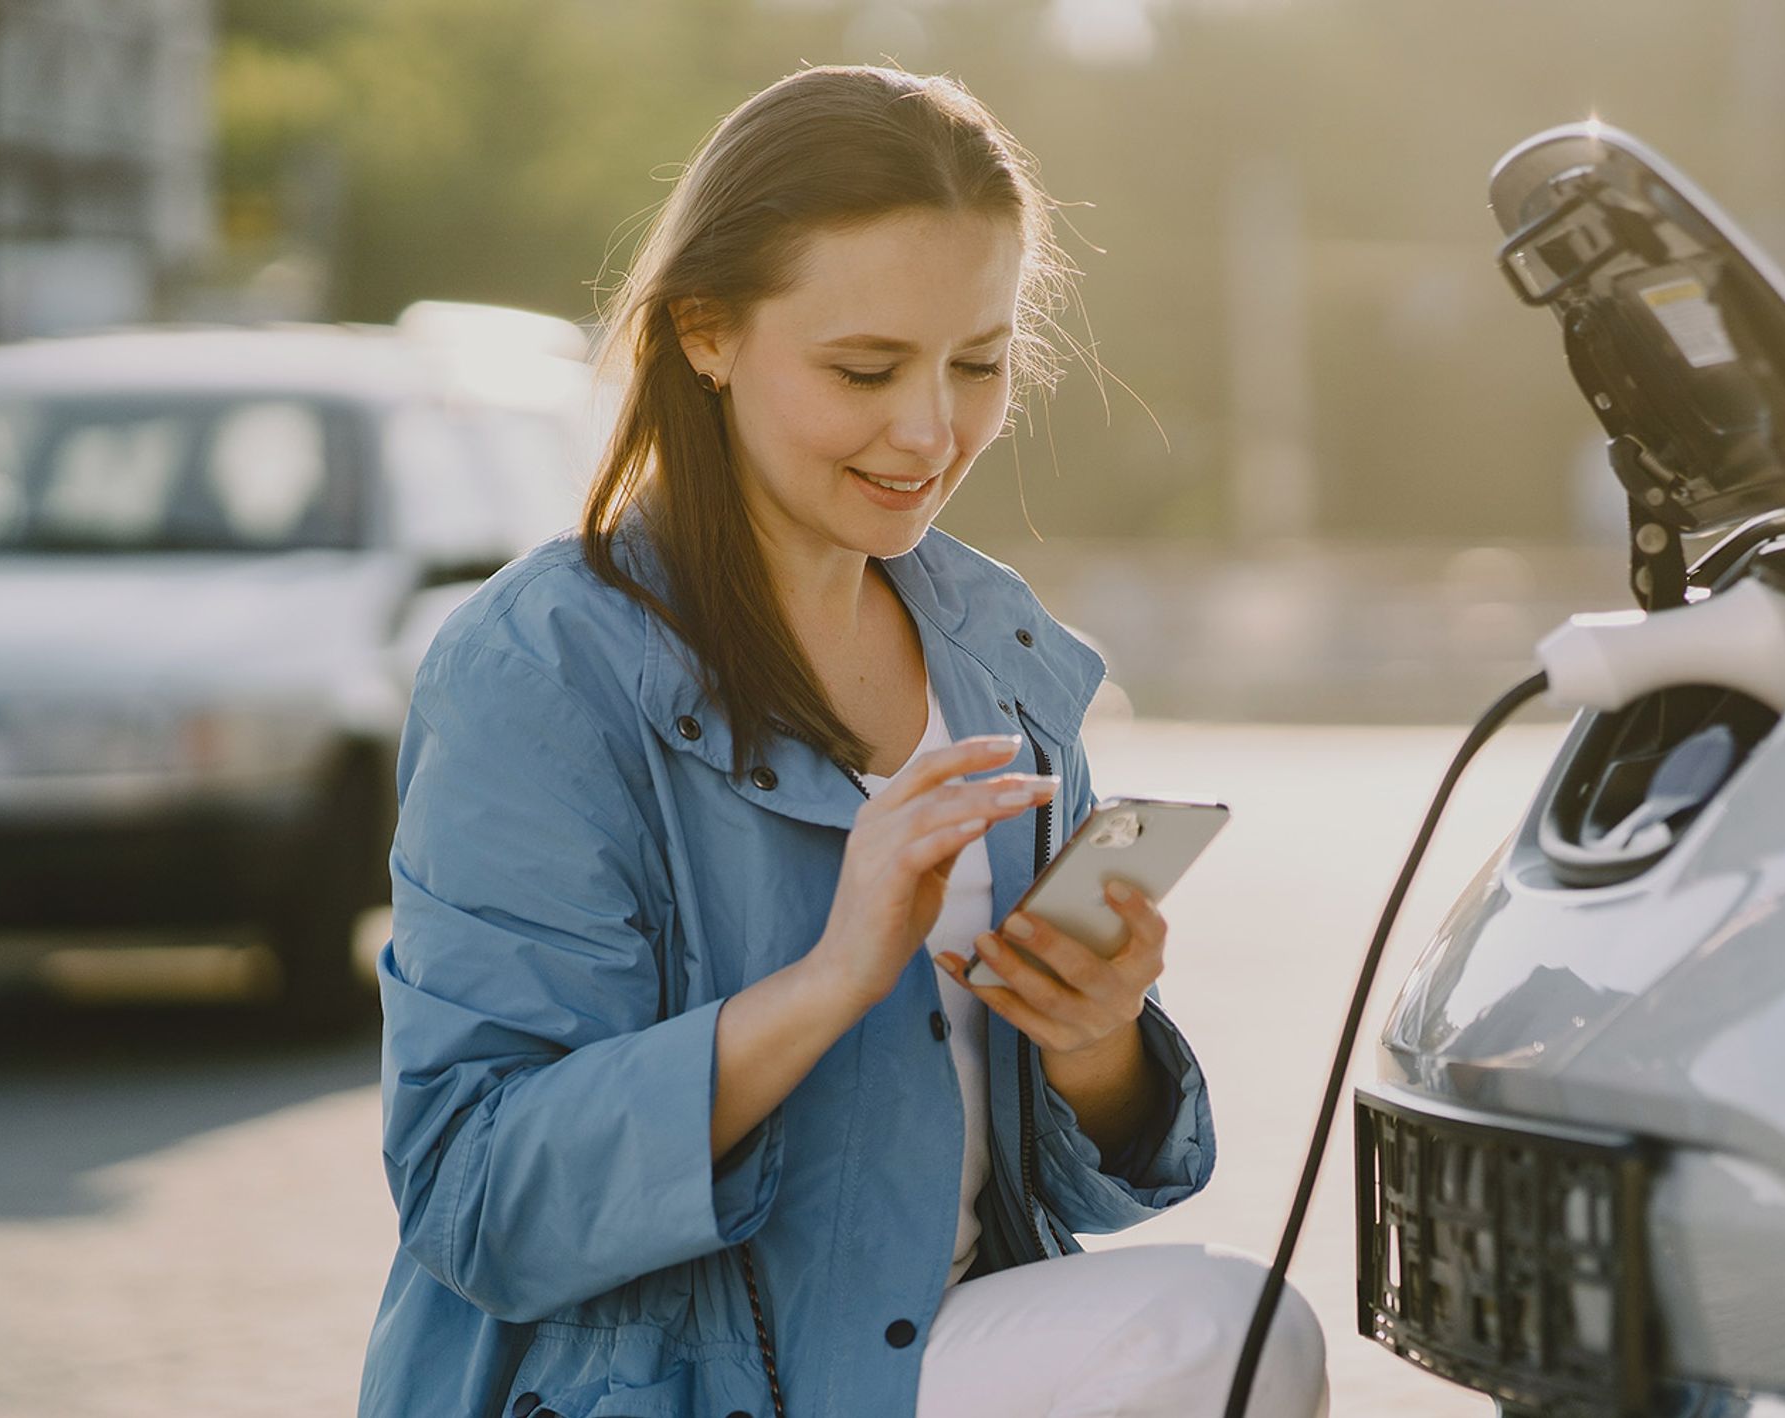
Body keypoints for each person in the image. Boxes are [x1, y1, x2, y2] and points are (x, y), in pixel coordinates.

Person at [356, 64, 1327, 1418]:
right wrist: (831, 977)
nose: (929, 430)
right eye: (865, 368)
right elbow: (479, 1197)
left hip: (939, 1356)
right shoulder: (539, 669)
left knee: (1229, 1336)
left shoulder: (1001, 654)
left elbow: (1077, 1182)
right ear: (705, 332)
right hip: (663, 1388)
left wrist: (1090, 1043)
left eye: (978, 365)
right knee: (1213, 1336)